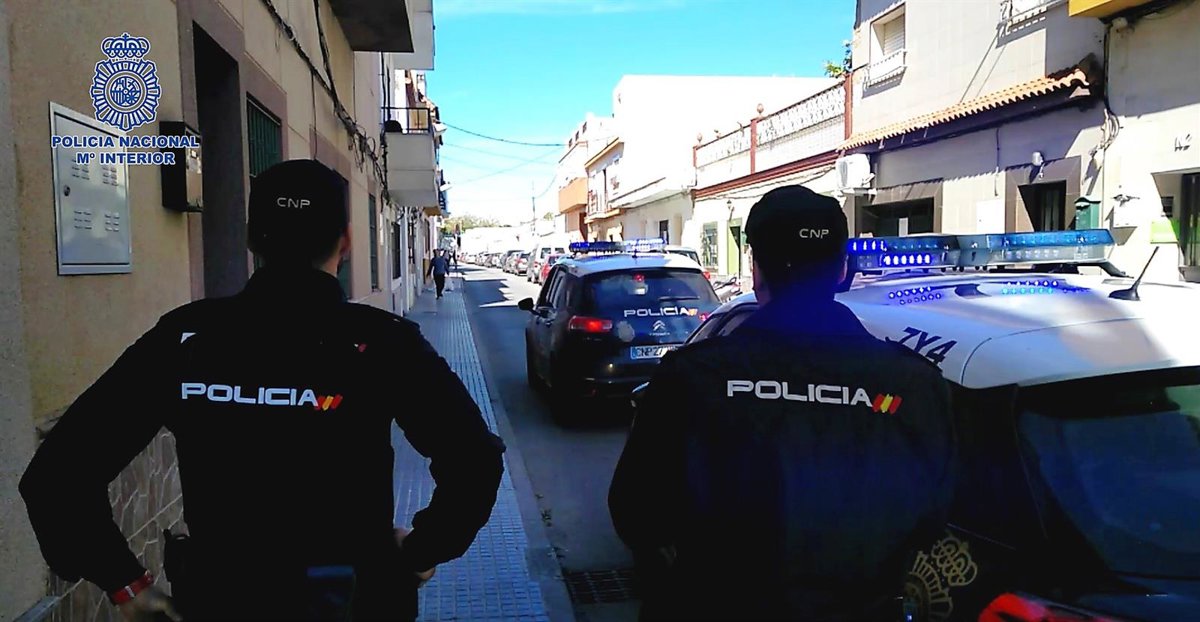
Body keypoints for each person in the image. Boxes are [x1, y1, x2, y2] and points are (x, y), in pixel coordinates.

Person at [20, 159, 506, 622]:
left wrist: (125, 583)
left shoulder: (186, 337)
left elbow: (57, 475)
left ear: (252, 238)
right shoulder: (382, 342)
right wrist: (423, 550)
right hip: (357, 601)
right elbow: (476, 459)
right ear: (346, 241)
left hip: (222, 603)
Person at [608, 185, 956, 621]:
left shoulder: (690, 379)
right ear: (842, 271)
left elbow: (637, 517)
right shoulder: (915, 385)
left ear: (756, 272)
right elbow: (931, 522)